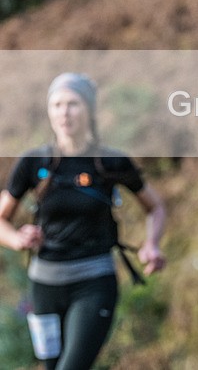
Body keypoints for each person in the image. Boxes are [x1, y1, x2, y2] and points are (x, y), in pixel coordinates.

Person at [0, 73, 167, 369]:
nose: (64, 112)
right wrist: (18, 239)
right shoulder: (32, 162)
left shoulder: (110, 162)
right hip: (43, 286)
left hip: (93, 282)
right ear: (49, 111)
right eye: (57, 104)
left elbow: (154, 207)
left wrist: (151, 244)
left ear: (89, 109)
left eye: (73, 104)